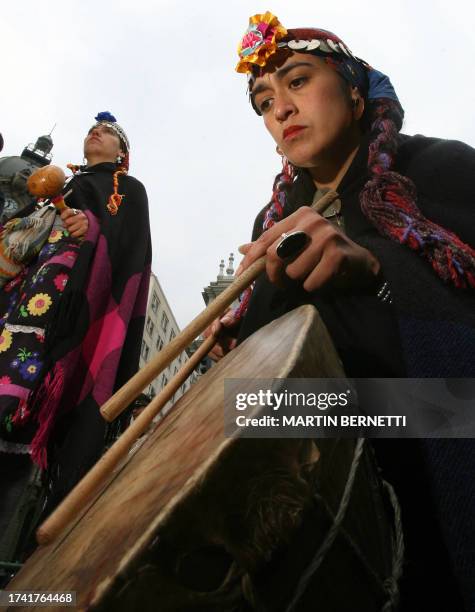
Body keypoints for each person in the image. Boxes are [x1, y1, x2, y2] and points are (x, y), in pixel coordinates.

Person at [207, 12, 475, 611]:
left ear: (356, 94)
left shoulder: (441, 170)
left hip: (442, 423)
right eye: (263, 100)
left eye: (298, 81)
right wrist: (248, 339)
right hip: (309, 467)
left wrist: (376, 274)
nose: (280, 109)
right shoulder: (271, 226)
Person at [0, 112, 151, 546]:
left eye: (108, 133)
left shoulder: (128, 190)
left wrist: (93, 233)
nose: (95, 131)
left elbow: (127, 253)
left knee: (32, 422)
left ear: (122, 153)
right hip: (24, 299)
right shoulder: (61, 184)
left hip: (65, 311)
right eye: (92, 128)